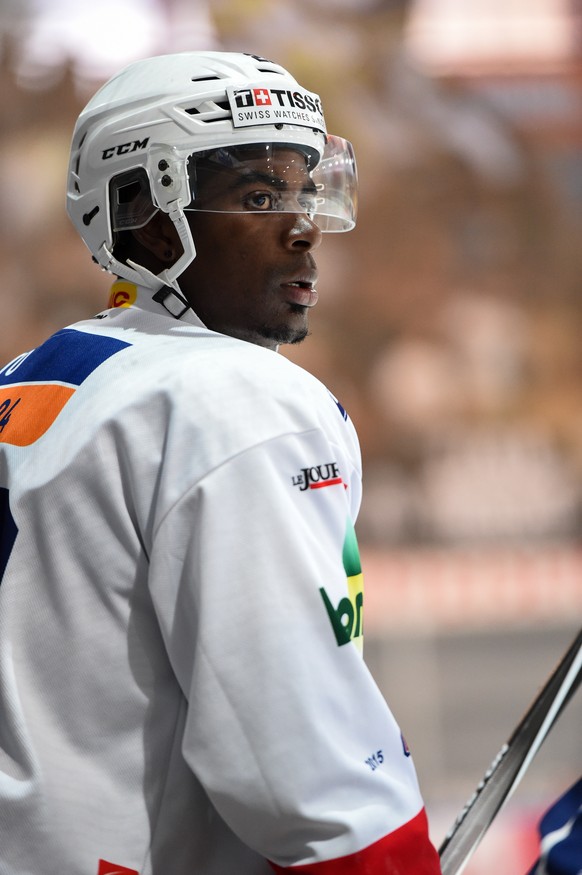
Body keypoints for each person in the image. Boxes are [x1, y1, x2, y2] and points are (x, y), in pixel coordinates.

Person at [0, 51, 441, 875]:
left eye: (305, 192)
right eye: (260, 196)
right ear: (148, 215)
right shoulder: (232, 397)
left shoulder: (28, 377)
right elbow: (305, 781)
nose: (304, 225)